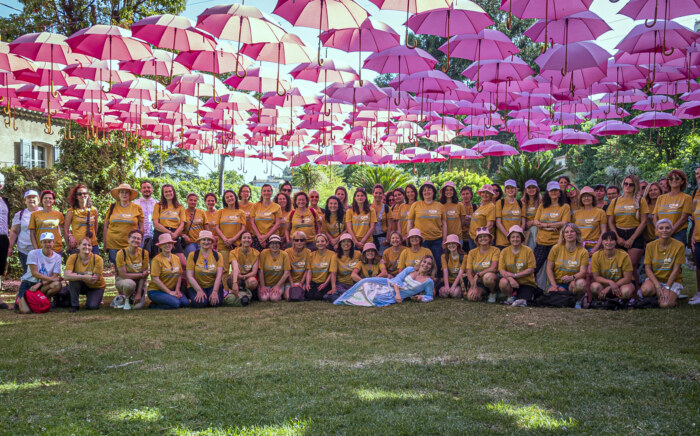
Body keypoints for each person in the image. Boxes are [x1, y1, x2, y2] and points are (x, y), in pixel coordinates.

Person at [334, 256, 435, 306]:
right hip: (388, 283)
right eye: (424, 262)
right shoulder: (410, 269)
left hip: (391, 294)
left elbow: (430, 296)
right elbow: (397, 279)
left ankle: (348, 301)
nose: (425, 265)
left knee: (374, 298)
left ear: (431, 267)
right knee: (365, 281)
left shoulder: (428, 281)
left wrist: (421, 297)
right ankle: (341, 298)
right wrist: (398, 294)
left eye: (429, 264)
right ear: (421, 262)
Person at [607, 175, 648, 285]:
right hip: (619, 233)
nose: (628, 186)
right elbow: (610, 221)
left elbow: (644, 221)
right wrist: (617, 237)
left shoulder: (641, 201)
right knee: (620, 265)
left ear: (636, 186)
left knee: (631, 265)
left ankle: (635, 293)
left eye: (631, 184)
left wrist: (632, 239)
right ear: (622, 184)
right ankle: (622, 291)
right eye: (626, 183)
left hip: (635, 233)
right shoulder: (615, 201)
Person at [641, 219, 685, 308]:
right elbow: (647, 268)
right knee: (645, 290)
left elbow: (676, 270)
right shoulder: (650, 246)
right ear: (656, 231)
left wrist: (667, 287)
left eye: (667, 228)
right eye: (661, 228)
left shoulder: (679, 246)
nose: (664, 230)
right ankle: (658, 294)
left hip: (673, 281)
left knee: (665, 305)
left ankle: (671, 296)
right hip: (656, 280)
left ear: (672, 230)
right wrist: (657, 286)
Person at [16, 232, 63, 314]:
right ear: (41, 243)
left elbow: (54, 276)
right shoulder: (33, 253)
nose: (47, 244)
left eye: (49, 241)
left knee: (57, 285)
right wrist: (53, 279)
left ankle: (45, 299)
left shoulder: (57, 257)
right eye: (44, 242)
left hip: (42, 285)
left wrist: (40, 284)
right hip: (28, 283)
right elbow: (35, 273)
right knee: (26, 311)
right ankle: (19, 297)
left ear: (53, 242)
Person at [545, 223, 589, 309]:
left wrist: (572, 277)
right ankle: (567, 298)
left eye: (572, 231)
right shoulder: (556, 248)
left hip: (572, 282)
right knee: (551, 294)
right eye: (566, 232)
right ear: (563, 235)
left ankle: (578, 301)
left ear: (577, 234)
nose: (569, 234)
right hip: (558, 283)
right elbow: (549, 268)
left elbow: (583, 272)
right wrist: (554, 285)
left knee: (581, 284)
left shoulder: (583, 252)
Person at [533, 181, 571, 277]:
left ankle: (554, 289)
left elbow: (565, 223)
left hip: (557, 242)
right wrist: (549, 227)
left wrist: (545, 225)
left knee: (555, 268)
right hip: (541, 241)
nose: (553, 193)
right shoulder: (542, 206)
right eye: (551, 191)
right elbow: (535, 222)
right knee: (534, 266)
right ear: (548, 193)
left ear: (559, 192)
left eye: (555, 190)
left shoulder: (565, 206)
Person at [408, 181, 447, 271]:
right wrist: (409, 239)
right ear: (422, 193)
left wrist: (444, 240)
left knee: (437, 263)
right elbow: (410, 223)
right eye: (424, 190)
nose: (427, 192)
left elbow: (444, 224)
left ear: (433, 192)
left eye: (429, 190)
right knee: (422, 264)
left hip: (437, 240)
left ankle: (436, 282)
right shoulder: (416, 205)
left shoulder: (440, 206)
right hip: (421, 241)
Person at [103, 183, 144, 264]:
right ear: (118, 194)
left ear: (130, 194)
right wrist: (105, 243)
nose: (124, 194)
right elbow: (106, 227)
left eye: (126, 192)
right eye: (122, 192)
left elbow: (141, 227)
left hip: (131, 244)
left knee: (131, 269)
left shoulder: (137, 208)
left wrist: (138, 242)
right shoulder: (112, 207)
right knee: (117, 270)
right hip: (113, 244)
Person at [498, 225, 538, 305]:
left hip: (526, 282)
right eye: (513, 237)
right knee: (503, 282)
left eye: (517, 237)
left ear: (522, 238)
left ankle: (520, 296)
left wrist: (515, 275)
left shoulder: (528, 250)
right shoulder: (504, 251)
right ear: (509, 239)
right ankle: (510, 297)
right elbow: (501, 270)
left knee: (523, 301)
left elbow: (531, 269)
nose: (515, 239)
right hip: (511, 282)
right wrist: (510, 278)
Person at [214, 189, 247, 288]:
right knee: (224, 269)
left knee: (237, 268)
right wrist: (225, 239)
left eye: (231, 196)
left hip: (236, 244)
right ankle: (226, 290)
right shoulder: (220, 212)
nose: (229, 198)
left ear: (235, 198)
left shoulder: (240, 212)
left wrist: (232, 240)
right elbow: (216, 227)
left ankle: (236, 288)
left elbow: (243, 228)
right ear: (224, 200)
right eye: (227, 197)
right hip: (223, 244)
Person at [590, 231, 635, 301]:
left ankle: (620, 301)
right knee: (594, 287)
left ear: (616, 242)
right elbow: (596, 277)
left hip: (622, 284)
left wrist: (611, 287)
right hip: (604, 284)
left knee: (626, 292)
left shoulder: (624, 255)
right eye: (606, 240)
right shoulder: (596, 255)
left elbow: (627, 278)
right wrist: (610, 282)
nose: (608, 242)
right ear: (602, 242)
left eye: (611, 240)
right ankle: (602, 301)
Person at [147, 233, 188, 309]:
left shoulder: (176, 258)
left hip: (172, 289)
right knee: (176, 304)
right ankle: (153, 305)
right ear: (160, 246)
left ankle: (166, 300)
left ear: (172, 245)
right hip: (156, 291)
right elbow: (155, 279)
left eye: (169, 243)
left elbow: (179, 275)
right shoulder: (156, 260)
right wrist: (169, 292)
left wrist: (177, 290)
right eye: (164, 243)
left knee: (185, 303)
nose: (167, 245)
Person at [64, 238, 105, 312]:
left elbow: (93, 281)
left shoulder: (98, 259)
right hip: (81, 284)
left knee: (92, 306)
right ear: (78, 246)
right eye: (84, 244)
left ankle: (93, 297)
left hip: (96, 286)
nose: (87, 247)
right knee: (73, 280)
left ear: (92, 247)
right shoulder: (73, 257)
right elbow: (66, 276)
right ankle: (74, 305)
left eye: (89, 245)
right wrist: (84, 276)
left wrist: (76, 275)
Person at [185, 230, 223, 308]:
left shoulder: (218, 255)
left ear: (212, 242)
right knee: (200, 304)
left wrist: (215, 291)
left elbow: (219, 276)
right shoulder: (192, 255)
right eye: (203, 239)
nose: (206, 242)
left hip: (212, 285)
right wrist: (199, 290)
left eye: (209, 240)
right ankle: (195, 298)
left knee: (216, 303)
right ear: (199, 241)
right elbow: (189, 276)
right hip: (196, 286)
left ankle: (210, 296)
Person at [652, 169, 692, 245]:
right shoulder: (660, 198)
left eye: (677, 178)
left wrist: (670, 231)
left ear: (682, 181)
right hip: (660, 235)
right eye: (671, 178)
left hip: (677, 234)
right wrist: (660, 231)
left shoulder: (687, 198)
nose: (674, 180)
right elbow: (655, 217)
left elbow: (683, 218)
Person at [153, 184, 187, 268]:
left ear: (174, 192)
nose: (168, 193)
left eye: (170, 191)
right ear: (163, 194)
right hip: (161, 234)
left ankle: (181, 280)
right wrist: (169, 233)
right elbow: (156, 224)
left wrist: (175, 234)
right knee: (161, 263)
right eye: (166, 192)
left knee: (183, 264)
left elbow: (182, 224)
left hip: (175, 234)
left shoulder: (180, 207)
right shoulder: (158, 206)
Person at [114, 230, 149, 310]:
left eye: (138, 239)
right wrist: (141, 274)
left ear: (141, 241)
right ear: (128, 239)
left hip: (139, 282)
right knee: (130, 284)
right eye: (133, 238)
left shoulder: (145, 253)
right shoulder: (121, 253)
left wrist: (139, 293)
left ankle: (122, 298)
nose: (136, 240)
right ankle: (125, 299)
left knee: (137, 307)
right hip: (124, 281)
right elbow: (124, 275)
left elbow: (145, 275)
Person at [464, 227, 500, 302]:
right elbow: (469, 271)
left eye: (485, 236)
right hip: (478, 281)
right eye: (480, 237)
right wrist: (473, 284)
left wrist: (478, 274)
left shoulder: (495, 250)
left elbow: (493, 268)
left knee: (487, 277)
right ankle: (484, 293)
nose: (482, 238)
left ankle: (493, 292)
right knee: (471, 297)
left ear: (489, 238)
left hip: (491, 279)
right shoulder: (472, 252)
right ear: (477, 240)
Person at [9, 190, 40, 273]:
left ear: (38, 200)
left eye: (33, 197)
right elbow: (14, 231)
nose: (31, 199)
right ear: (25, 201)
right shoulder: (20, 214)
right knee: (28, 274)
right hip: (25, 250)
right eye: (28, 198)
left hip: (42, 250)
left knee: (42, 273)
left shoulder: (44, 212)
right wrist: (10, 247)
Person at [64, 184, 99, 255]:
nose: (82, 195)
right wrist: (69, 241)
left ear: (88, 195)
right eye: (79, 194)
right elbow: (65, 229)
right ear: (76, 197)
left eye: (85, 193)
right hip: (77, 246)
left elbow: (95, 228)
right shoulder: (71, 211)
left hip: (92, 245)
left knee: (94, 265)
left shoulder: (94, 210)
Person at [228, 231, 259, 306]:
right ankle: (236, 290)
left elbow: (254, 272)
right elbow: (235, 268)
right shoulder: (233, 252)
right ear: (240, 240)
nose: (247, 240)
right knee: (233, 274)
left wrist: (244, 277)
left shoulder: (256, 253)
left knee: (253, 281)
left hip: (247, 277)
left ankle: (243, 293)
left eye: (249, 238)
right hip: (236, 276)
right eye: (244, 238)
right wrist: (235, 283)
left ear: (251, 241)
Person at [257, 234, 291, 302]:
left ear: (280, 245)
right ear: (269, 245)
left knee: (274, 298)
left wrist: (277, 286)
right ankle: (264, 291)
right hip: (266, 284)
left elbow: (287, 272)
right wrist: (263, 286)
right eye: (272, 243)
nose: (274, 245)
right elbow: (260, 270)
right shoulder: (264, 253)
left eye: (277, 243)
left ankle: (280, 293)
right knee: (264, 299)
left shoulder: (284, 254)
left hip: (278, 284)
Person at [574, 186, 607, 254]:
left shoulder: (600, 212)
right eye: (584, 196)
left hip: (594, 247)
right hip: (578, 247)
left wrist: (596, 248)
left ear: (593, 198)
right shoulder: (576, 213)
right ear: (581, 199)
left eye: (589, 196)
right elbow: (573, 231)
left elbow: (603, 231)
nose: (586, 198)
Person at [250, 184, 282, 251]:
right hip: (257, 237)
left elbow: (278, 224)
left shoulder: (277, 207)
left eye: (268, 191)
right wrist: (260, 237)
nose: (266, 193)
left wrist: (265, 237)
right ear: (261, 193)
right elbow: (252, 223)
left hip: (272, 238)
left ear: (271, 192)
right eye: (264, 191)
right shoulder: (255, 206)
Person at [306, 233, 337, 300]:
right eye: (317, 242)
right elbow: (309, 271)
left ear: (327, 243)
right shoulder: (311, 255)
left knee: (318, 296)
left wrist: (325, 284)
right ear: (315, 244)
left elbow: (332, 272)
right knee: (309, 296)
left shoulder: (332, 254)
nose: (320, 243)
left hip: (325, 281)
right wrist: (307, 283)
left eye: (322, 241)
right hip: (314, 282)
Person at [495, 180, 524, 248]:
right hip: (502, 241)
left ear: (516, 189)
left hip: (517, 241)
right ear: (505, 190)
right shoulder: (500, 203)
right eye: (508, 188)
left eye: (512, 188)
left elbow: (523, 222)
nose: (510, 190)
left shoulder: (521, 203)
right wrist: (508, 236)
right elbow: (498, 223)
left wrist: (518, 236)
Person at [468, 185, 496, 251]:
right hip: (473, 237)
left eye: (487, 193)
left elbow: (490, 225)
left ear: (491, 195)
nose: (485, 195)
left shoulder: (491, 207)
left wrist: (480, 237)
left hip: (481, 240)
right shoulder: (481, 205)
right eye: (483, 192)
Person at [285, 231, 311, 299]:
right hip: (290, 281)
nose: (299, 242)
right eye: (296, 240)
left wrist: (301, 283)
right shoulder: (287, 252)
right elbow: (287, 270)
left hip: (302, 281)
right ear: (293, 241)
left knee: (304, 296)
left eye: (302, 240)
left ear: (305, 241)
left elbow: (307, 269)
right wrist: (292, 284)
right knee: (288, 297)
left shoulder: (308, 252)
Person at [334, 233, 361, 297]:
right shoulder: (335, 256)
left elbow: (366, 260)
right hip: (342, 283)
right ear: (340, 244)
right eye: (343, 241)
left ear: (352, 244)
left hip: (355, 283)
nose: (346, 243)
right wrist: (333, 288)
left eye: (348, 241)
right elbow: (333, 273)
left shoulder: (358, 253)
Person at [133, 180, 157, 252]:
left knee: (152, 259)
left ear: (152, 190)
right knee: (139, 257)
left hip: (154, 236)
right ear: (141, 190)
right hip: (139, 236)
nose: (147, 189)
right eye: (144, 188)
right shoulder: (135, 203)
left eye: (149, 187)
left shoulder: (157, 203)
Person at [439, 234, 465, 298]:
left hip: (458, 282)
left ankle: (457, 290)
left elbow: (461, 272)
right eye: (449, 244)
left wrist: (453, 286)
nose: (451, 245)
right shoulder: (444, 256)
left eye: (453, 243)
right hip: (448, 280)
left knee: (455, 294)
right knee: (444, 293)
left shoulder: (464, 256)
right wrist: (446, 286)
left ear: (457, 244)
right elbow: (445, 271)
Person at [441, 181, 466, 245]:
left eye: (451, 190)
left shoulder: (460, 205)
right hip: (444, 237)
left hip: (457, 237)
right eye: (446, 190)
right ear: (443, 192)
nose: (448, 192)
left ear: (454, 192)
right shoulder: (440, 205)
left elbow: (463, 221)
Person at [370, 184, 393, 255]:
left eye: (380, 193)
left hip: (383, 238)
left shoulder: (387, 208)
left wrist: (387, 239)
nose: (378, 195)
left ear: (383, 194)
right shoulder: (368, 207)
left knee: (383, 258)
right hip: (371, 238)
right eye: (376, 193)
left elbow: (390, 226)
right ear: (373, 193)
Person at [182, 193, 206, 258]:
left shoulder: (201, 212)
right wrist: (184, 236)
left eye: (195, 200)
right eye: (191, 200)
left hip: (201, 241)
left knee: (202, 261)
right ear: (187, 201)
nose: (193, 202)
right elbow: (178, 228)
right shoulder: (183, 212)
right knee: (192, 260)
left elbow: (206, 227)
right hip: (189, 242)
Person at [522, 180, 541, 251]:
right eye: (529, 188)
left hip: (538, 227)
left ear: (537, 189)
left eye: (533, 187)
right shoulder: (522, 202)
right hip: (526, 228)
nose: (531, 189)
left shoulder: (542, 202)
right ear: (526, 190)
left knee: (534, 229)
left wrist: (533, 222)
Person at [460, 186, 476, 252]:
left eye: (467, 194)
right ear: (461, 196)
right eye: (463, 194)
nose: (465, 196)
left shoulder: (475, 207)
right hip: (460, 237)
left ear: (471, 195)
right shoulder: (458, 206)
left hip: (472, 237)